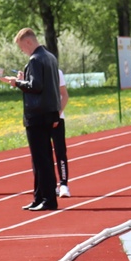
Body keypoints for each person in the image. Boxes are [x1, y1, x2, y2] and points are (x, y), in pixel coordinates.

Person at [0, 28, 61, 211]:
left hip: (37, 114)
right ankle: (39, 197)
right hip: (49, 112)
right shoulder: (50, 57)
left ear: (28, 42)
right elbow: (46, 85)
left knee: (40, 160)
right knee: (43, 158)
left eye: (22, 47)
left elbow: (36, 86)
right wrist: (24, 79)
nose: (22, 51)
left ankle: (48, 199)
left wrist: (16, 82)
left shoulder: (35, 59)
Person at [54, 69, 71, 198]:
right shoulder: (32, 70)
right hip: (40, 119)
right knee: (45, 154)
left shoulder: (56, 72)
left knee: (60, 151)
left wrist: (57, 114)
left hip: (57, 118)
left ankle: (63, 184)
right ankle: (51, 184)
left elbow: (64, 95)